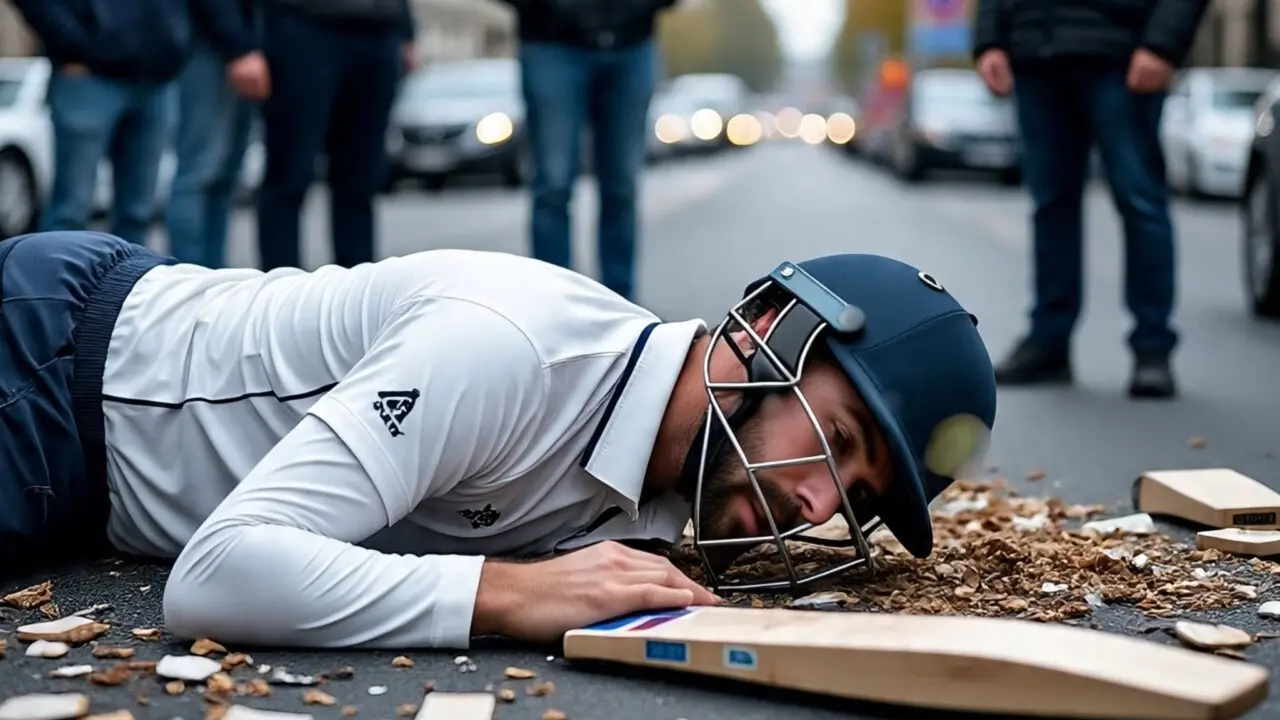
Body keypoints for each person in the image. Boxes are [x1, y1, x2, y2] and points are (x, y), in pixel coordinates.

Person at [0, 229, 996, 649]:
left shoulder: (661, 489)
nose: (821, 503)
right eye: (839, 437)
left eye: (855, 497)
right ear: (766, 334)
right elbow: (215, 578)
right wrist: (507, 592)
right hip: (43, 371)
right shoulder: (513, 348)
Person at [971, 0, 1210, 399]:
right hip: (1036, 52)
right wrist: (989, 40)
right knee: (1050, 206)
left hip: (1123, 52)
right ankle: (1049, 343)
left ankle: (1152, 348)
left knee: (1140, 202)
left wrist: (1164, 44)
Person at [500, 0, 679, 303]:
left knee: (622, 186)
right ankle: (553, 307)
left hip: (632, 43)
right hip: (550, 42)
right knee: (552, 187)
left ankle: (622, 310)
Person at [255, 0, 418, 271]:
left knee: (361, 178)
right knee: (290, 173)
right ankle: (281, 288)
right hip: (303, 25)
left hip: (379, 30)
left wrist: (407, 30)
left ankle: (358, 288)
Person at [11, 0, 191, 246]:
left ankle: (127, 282)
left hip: (157, 78)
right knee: (72, 210)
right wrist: (71, 45)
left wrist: (176, 42)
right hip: (89, 78)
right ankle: (54, 283)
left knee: (138, 212)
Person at [166, 0, 267, 269]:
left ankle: (212, 276)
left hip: (243, 41)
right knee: (199, 173)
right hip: (211, 44)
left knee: (223, 178)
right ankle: (189, 278)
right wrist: (238, 47)